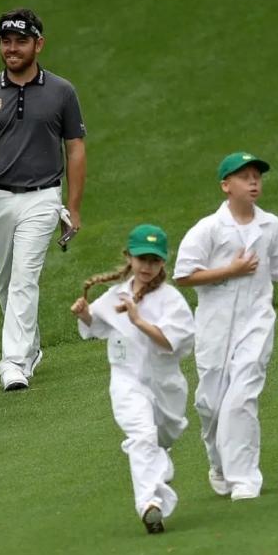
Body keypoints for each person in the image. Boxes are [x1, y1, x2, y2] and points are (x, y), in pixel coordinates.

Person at [173, 152, 278, 500]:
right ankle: (219, 464)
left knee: (241, 398)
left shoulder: (271, 225)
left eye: (257, 176)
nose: (254, 182)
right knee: (211, 405)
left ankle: (245, 477)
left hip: (256, 322)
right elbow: (184, 275)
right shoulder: (208, 229)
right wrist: (229, 271)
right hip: (214, 327)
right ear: (226, 185)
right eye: (245, 177)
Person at [0, 7, 87, 391]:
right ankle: (31, 348)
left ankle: (13, 363)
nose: (11, 49)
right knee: (7, 280)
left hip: (43, 197)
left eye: (20, 42)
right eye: (5, 41)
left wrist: (73, 208)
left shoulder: (62, 91)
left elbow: (75, 150)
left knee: (24, 279)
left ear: (38, 44)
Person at [70, 224, 193, 535]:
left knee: (163, 437)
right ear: (129, 257)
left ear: (163, 262)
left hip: (166, 385)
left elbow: (172, 343)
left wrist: (138, 320)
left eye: (154, 260)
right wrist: (84, 314)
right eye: (142, 259)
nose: (147, 267)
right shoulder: (116, 294)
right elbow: (97, 325)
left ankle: (157, 481)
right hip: (127, 382)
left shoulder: (171, 301)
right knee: (142, 435)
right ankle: (149, 505)